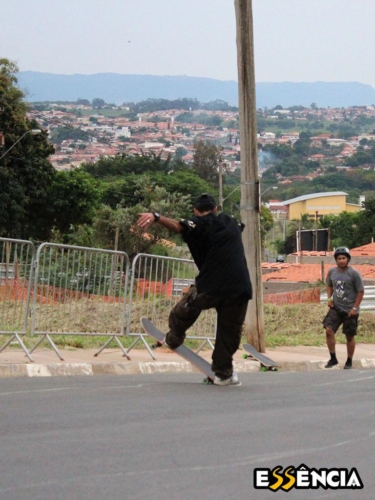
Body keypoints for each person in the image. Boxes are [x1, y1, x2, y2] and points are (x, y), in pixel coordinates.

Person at [137, 193, 252, 386]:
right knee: (229, 333)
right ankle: (224, 373)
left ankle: (174, 337)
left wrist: (156, 217)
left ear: (196, 211)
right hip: (239, 288)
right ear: (216, 209)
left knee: (188, 305)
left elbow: (178, 226)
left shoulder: (198, 223)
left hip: (212, 285)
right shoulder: (230, 222)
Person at [323, 246, 364, 369]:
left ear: (348, 259)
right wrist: (329, 299)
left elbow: (360, 292)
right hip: (336, 307)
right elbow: (329, 285)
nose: (341, 260)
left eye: (344, 258)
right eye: (339, 258)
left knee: (349, 336)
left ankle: (349, 360)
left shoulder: (354, 274)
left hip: (350, 309)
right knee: (328, 330)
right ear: (336, 260)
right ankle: (333, 358)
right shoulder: (332, 272)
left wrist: (355, 308)